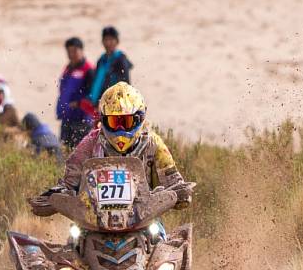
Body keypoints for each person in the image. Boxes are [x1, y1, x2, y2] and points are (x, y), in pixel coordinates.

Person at [30, 82, 191, 214]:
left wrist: (180, 193)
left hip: (144, 218)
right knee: (73, 243)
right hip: (94, 220)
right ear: (103, 120)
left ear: (139, 119)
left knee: (162, 241)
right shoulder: (90, 142)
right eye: (114, 122)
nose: (120, 130)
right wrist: (55, 196)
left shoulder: (153, 144)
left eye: (126, 122)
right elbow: (69, 182)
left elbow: (174, 181)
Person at [57, 37, 96, 149]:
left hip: (82, 120)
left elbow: (93, 95)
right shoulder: (68, 69)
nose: (71, 54)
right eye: (69, 51)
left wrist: (78, 103)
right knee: (65, 151)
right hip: (67, 118)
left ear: (81, 50)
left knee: (80, 153)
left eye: (74, 51)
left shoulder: (89, 70)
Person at [87, 26, 133, 107]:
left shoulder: (121, 59)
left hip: (115, 104)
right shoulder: (101, 60)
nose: (108, 43)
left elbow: (125, 85)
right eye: (106, 39)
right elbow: (97, 82)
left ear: (117, 41)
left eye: (111, 40)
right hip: (99, 104)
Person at [0, 75, 20, 144]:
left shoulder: (10, 110)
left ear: (5, 92)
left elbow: (20, 128)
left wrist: (5, 130)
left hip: (7, 146)